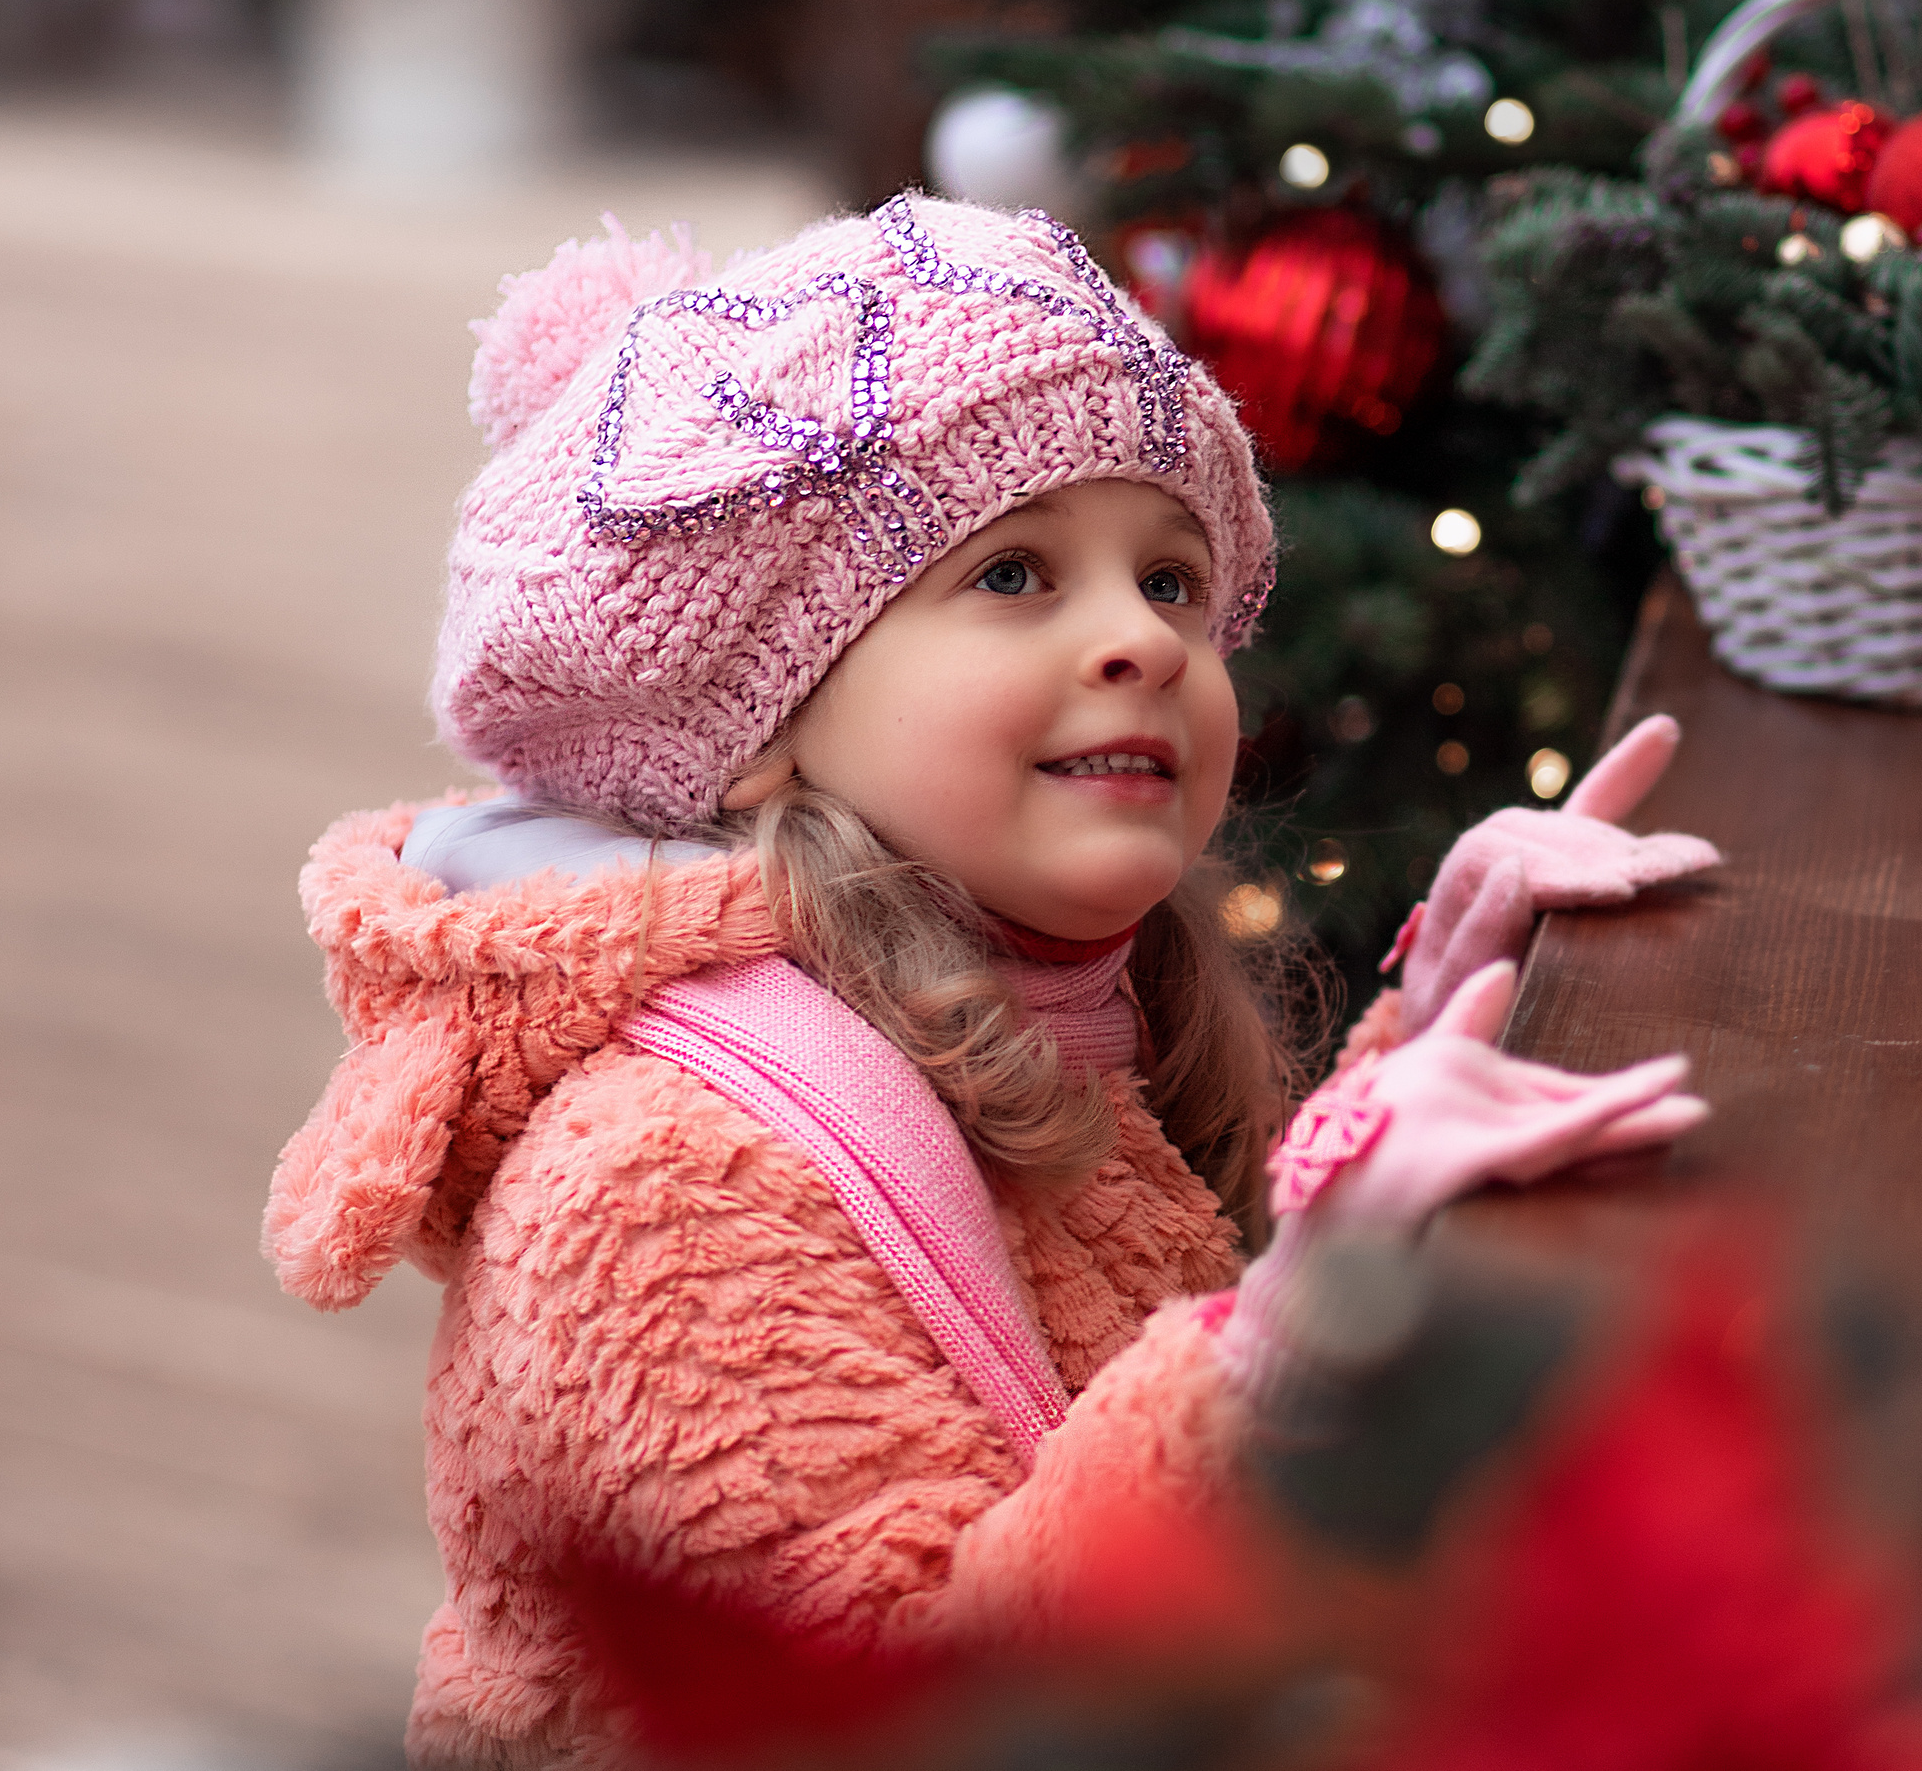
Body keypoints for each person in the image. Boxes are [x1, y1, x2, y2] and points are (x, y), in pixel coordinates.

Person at [264, 195, 1720, 1767]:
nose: (1145, 642)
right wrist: (1313, 1316)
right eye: (1017, 576)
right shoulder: (666, 1173)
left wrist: (1446, 996)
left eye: (1172, 581)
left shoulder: (1037, 993)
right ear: (760, 715)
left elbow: (1105, 1407)